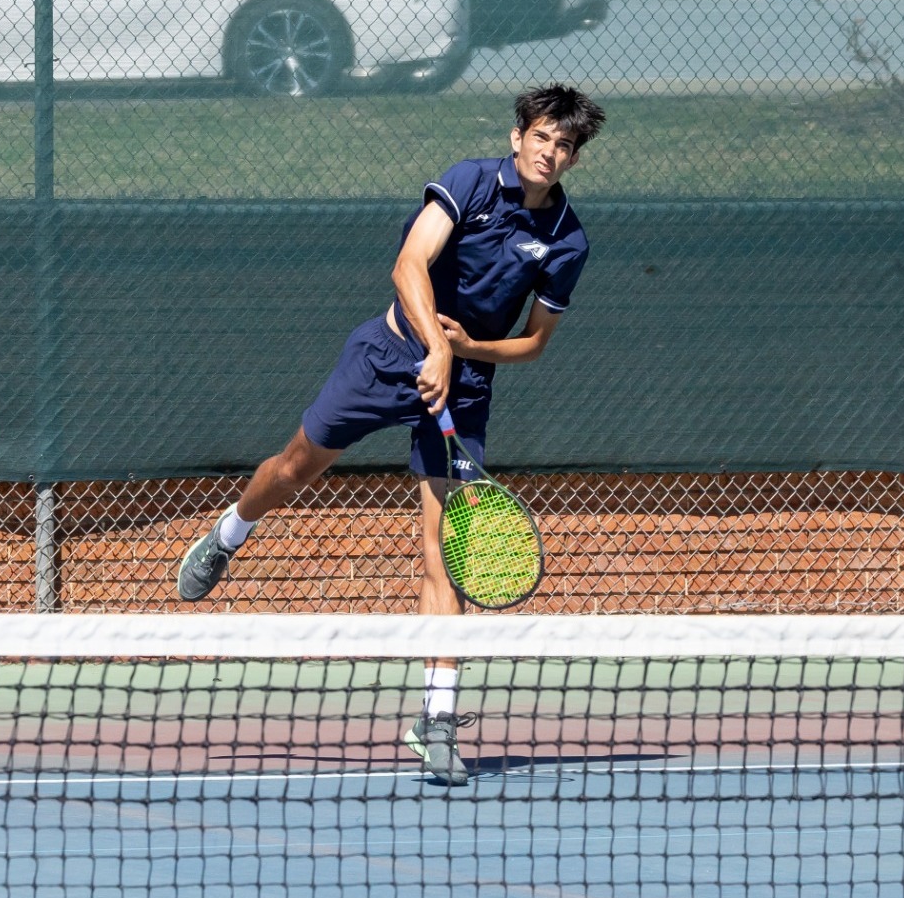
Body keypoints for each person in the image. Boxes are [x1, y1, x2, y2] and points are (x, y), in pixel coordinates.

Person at [174, 85, 606, 787]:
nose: (550, 153)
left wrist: (468, 353)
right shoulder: (469, 181)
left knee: (444, 555)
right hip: (388, 355)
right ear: (518, 133)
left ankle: (436, 719)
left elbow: (532, 344)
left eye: (564, 146)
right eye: (542, 137)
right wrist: (435, 344)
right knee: (291, 470)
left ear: (574, 158)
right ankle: (229, 533)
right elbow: (409, 264)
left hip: (462, 390)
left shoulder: (568, 240)